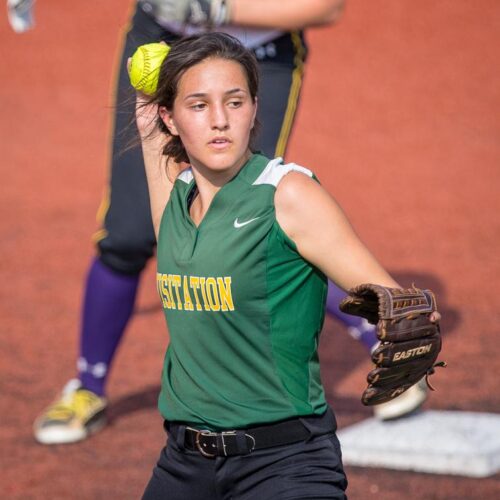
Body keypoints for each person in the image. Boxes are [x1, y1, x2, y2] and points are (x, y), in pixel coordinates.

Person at [33, 0, 424, 445]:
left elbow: (327, 6)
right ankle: (88, 386)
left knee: (248, 226)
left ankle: (387, 334)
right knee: (127, 231)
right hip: (161, 47)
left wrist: (215, 9)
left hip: (252, 55)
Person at [128, 32, 437, 499]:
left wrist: (409, 327)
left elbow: (400, 306)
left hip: (284, 465)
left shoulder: (286, 194)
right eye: (198, 105)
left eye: (234, 103)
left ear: (255, 108)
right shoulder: (174, 202)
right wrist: (147, 97)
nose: (219, 121)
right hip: (183, 466)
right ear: (168, 118)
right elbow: (153, 140)